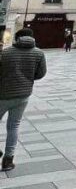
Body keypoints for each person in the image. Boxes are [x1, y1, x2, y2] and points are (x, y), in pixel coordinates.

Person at [0, 28, 47, 171]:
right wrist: (27, 78)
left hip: (2, 95)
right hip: (23, 96)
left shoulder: (5, 53)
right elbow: (41, 74)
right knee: (13, 126)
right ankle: (8, 160)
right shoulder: (39, 53)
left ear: (17, 38)